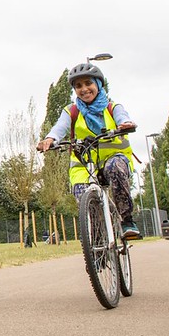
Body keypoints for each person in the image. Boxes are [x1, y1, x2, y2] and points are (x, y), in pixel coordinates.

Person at [36, 61, 140, 239]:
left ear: (98, 84)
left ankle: (127, 220)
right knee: (84, 198)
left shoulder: (112, 107)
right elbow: (60, 127)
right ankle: (97, 241)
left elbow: (122, 117)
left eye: (88, 83)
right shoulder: (71, 111)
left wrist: (125, 124)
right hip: (83, 166)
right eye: (78, 86)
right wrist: (50, 139)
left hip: (113, 159)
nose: (84, 89)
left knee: (115, 168)